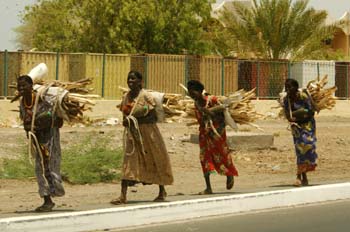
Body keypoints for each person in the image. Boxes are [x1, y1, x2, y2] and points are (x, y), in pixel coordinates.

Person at [110, 71, 174, 204]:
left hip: (148, 134)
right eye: (129, 79)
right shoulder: (126, 97)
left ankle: (162, 190)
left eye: (133, 79)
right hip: (132, 135)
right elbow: (124, 114)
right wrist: (126, 122)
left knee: (154, 159)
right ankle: (123, 195)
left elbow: (153, 117)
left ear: (140, 81)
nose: (130, 82)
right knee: (129, 162)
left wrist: (137, 118)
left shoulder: (145, 96)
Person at [17, 75, 65, 212]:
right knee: (39, 169)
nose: (21, 88)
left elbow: (52, 118)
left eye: (23, 85)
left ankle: (53, 193)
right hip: (36, 140)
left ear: (31, 86)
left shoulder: (42, 99)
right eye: (19, 86)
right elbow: (25, 120)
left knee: (51, 167)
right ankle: (47, 199)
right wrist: (28, 129)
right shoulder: (22, 102)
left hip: (50, 138)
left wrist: (38, 124)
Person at [187, 80, 238, 195]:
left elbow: (223, 113)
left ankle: (229, 174)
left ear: (200, 91)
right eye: (190, 93)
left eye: (193, 92)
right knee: (204, 159)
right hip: (204, 134)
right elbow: (200, 119)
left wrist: (209, 112)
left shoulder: (212, 100)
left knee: (222, 155)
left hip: (217, 133)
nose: (192, 95)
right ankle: (208, 187)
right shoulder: (196, 103)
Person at [283, 78, 317, 187]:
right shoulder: (286, 100)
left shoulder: (303, 96)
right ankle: (300, 176)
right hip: (296, 127)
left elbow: (311, 111)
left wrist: (298, 115)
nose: (288, 89)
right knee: (300, 149)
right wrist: (293, 119)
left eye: (290, 87)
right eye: (286, 87)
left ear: (296, 87)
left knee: (308, 146)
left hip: (308, 124)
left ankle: (304, 175)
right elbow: (288, 115)